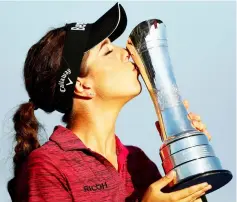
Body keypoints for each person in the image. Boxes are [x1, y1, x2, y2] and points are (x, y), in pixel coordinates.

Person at [7, 3, 212, 202]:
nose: (126, 53)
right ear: (81, 86)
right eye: (107, 51)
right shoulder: (47, 166)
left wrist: (185, 155)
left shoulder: (135, 160)